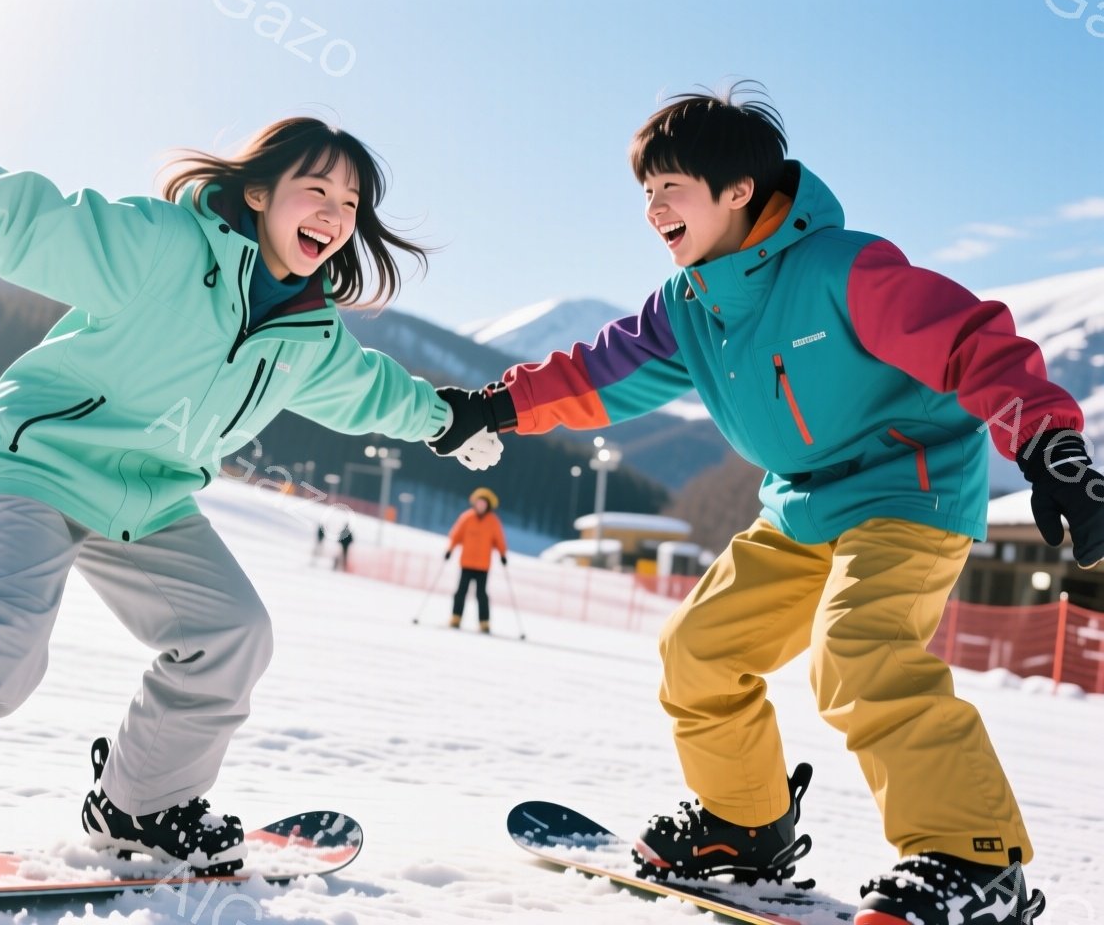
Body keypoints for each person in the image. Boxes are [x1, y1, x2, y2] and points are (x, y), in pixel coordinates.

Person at [0, 96, 502, 891]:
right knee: (8, 631)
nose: (334, 214)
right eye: (316, 190)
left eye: (350, 204)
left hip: (149, 499)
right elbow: (33, 220)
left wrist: (445, 419)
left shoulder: (309, 332)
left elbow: (368, 392)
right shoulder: (162, 246)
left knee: (232, 632)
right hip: (40, 461)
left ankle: (143, 804)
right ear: (260, 192)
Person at [434, 83, 1101, 924]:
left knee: (859, 650)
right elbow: (603, 372)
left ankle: (974, 865)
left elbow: (972, 344)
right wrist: (495, 406)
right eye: (645, 192)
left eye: (670, 188)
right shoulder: (691, 304)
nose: (653, 210)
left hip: (908, 491)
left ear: (739, 191)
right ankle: (745, 829)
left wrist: (1050, 445)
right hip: (798, 507)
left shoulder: (843, 270)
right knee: (700, 649)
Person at [445, 487, 507, 633]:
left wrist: (503, 554)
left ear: (488, 505)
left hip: (482, 565)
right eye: (478, 503)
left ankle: (484, 622)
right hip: (466, 562)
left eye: (483, 504)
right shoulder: (467, 517)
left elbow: (499, 540)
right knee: (461, 592)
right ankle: (456, 617)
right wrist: (450, 549)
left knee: (481, 594)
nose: (480, 506)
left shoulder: (493, 521)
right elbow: (456, 534)